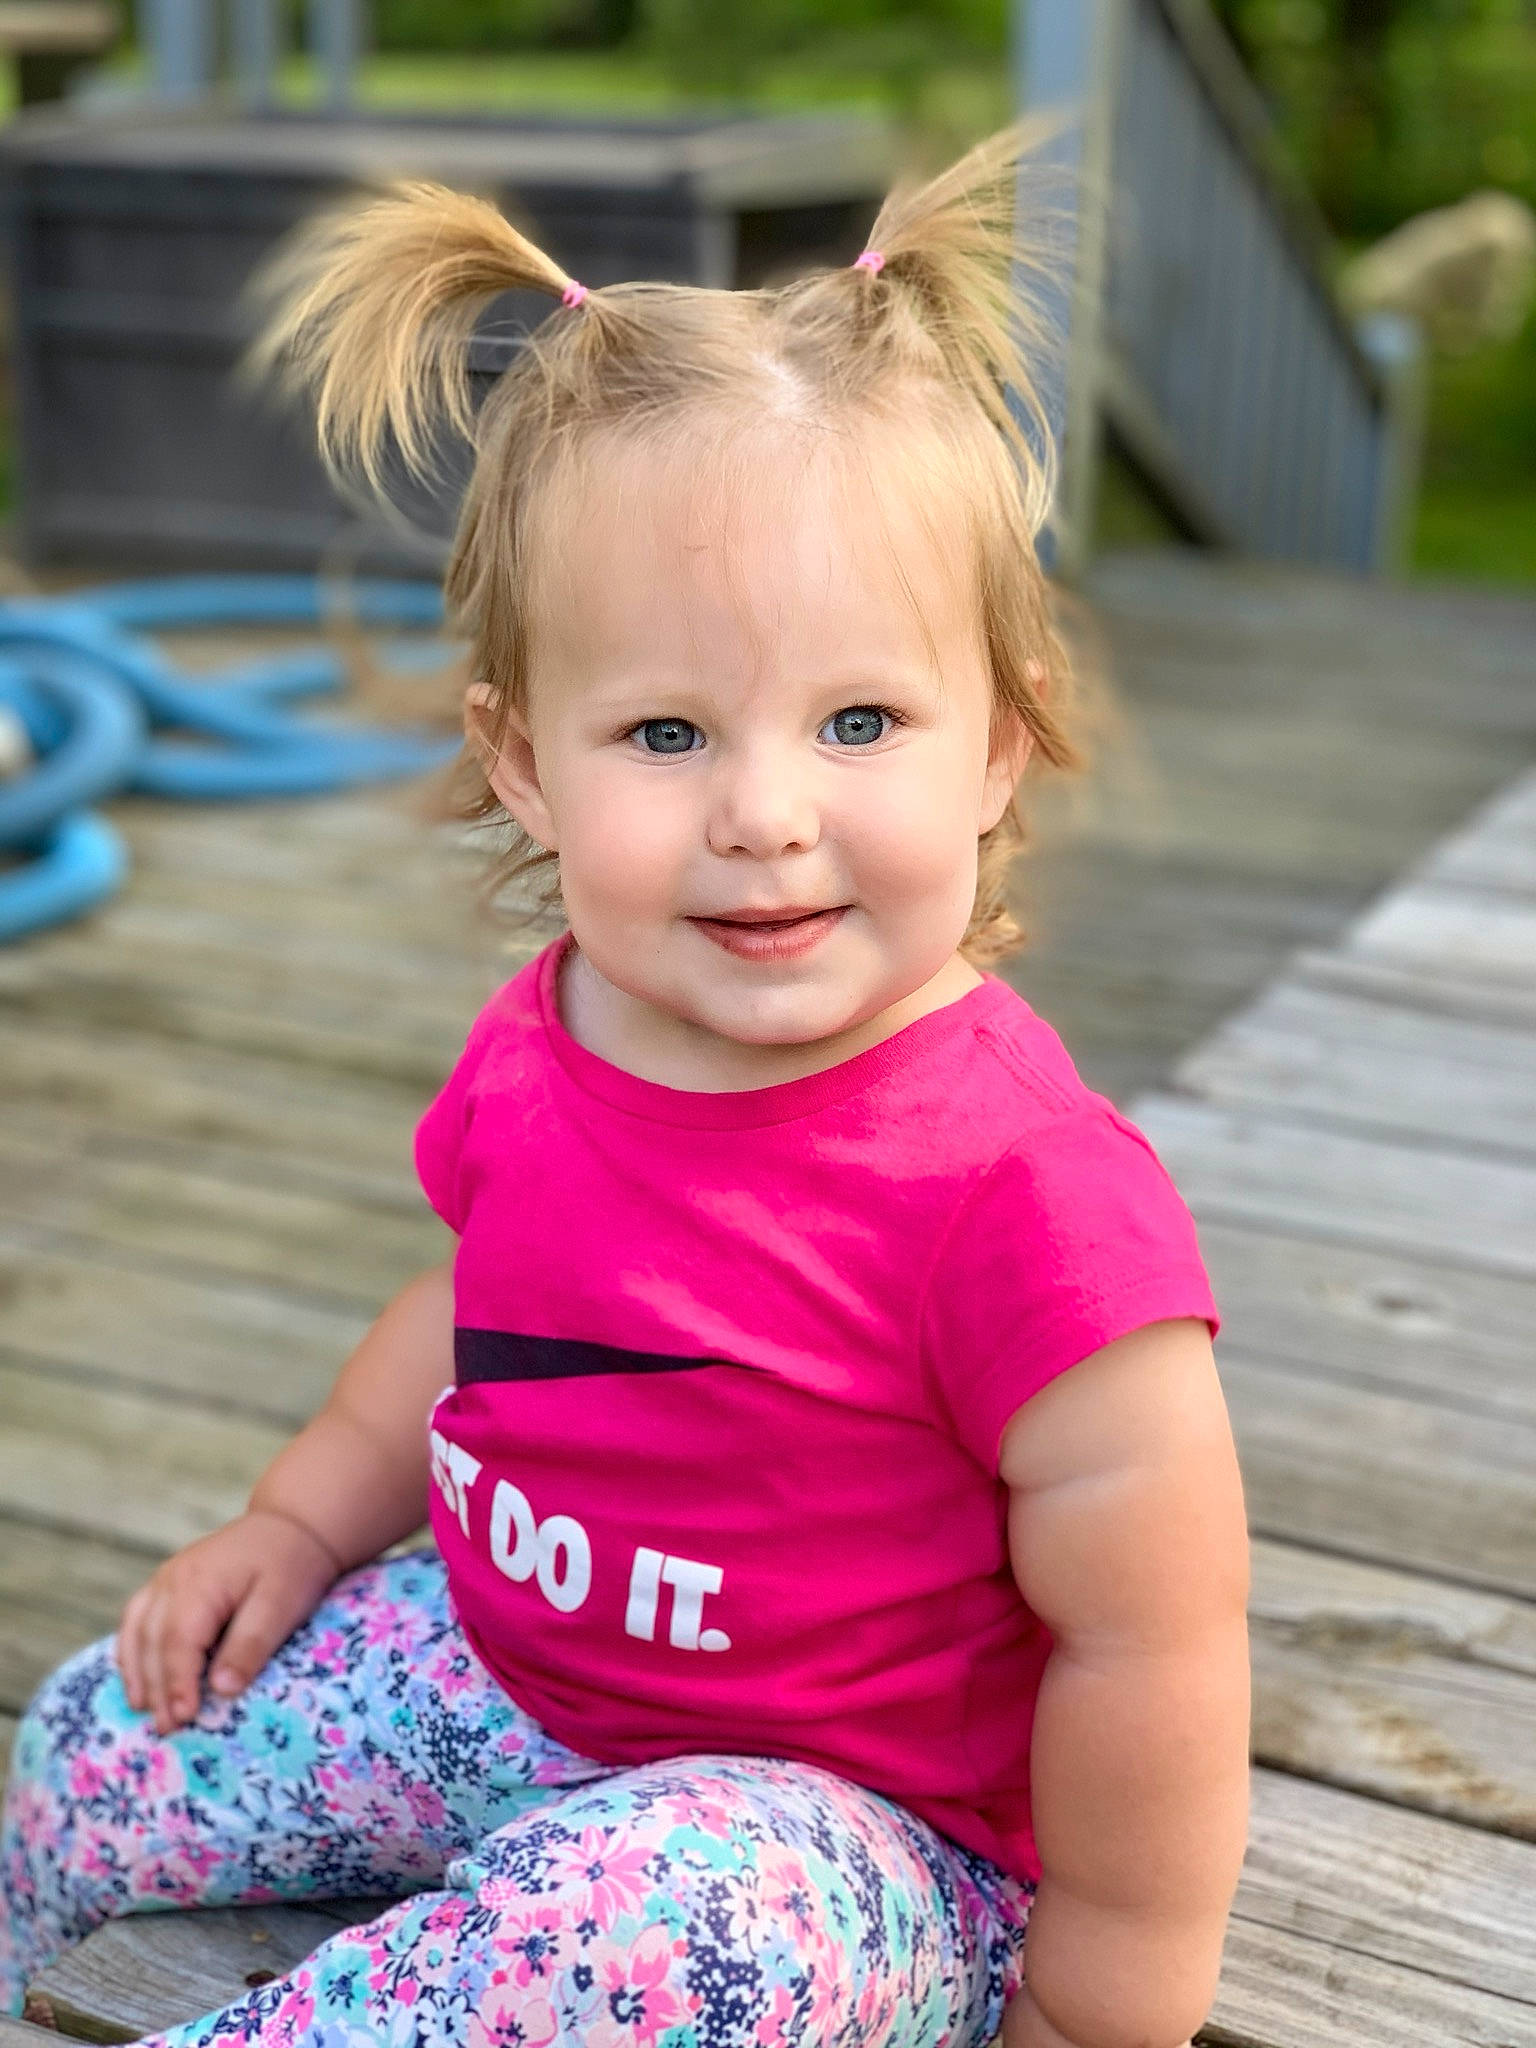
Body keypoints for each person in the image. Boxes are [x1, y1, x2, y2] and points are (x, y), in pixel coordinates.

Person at [0, 122, 1251, 2048]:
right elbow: (467, 1305)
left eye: (858, 721)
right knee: (94, 1730)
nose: (765, 814)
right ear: (524, 765)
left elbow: (1151, 1641)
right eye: (666, 731)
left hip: (852, 1842)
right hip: (510, 1680)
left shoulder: (1027, 1198)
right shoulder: (557, 1020)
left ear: (998, 744)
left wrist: (1107, 2011)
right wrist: (297, 1522)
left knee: (640, 1942)